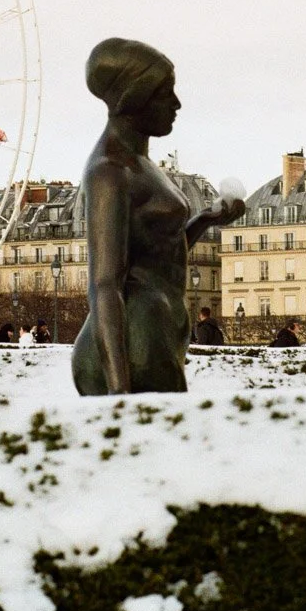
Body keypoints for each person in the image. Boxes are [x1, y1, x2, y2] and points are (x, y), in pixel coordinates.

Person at [70, 39, 245, 395]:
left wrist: (206, 219)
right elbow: (104, 285)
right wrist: (119, 390)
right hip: (136, 337)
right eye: (165, 93)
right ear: (134, 99)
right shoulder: (109, 171)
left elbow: (160, 247)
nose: (176, 104)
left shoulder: (142, 165)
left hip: (156, 325)